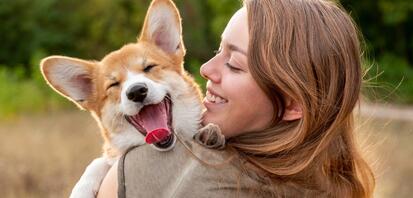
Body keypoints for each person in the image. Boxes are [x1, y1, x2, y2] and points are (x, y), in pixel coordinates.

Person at [97, 0, 374, 197]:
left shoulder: (151, 170)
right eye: (219, 50)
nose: (205, 69)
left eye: (235, 64)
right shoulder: (332, 184)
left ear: (292, 104)